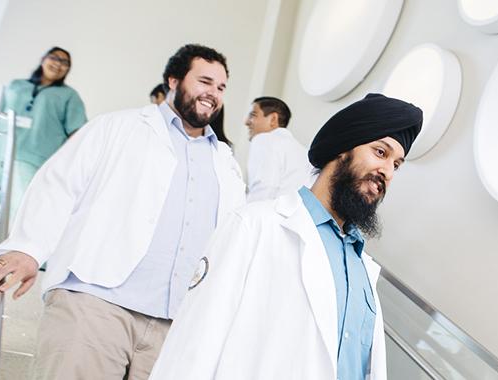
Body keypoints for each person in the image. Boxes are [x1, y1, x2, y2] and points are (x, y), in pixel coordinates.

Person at [0, 44, 246, 380]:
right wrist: (28, 247)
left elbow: (229, 238)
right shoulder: (117, 127)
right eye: (205, 82)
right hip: (96, 301)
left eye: (221, 87)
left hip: (176, 324)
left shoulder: (226, 163)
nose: (213, 93)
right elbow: (60, 184)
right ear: (174, 80)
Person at [150, 93, 422, 380]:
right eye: (381, 153)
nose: (387, 172)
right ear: (343, 148)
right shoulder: (254, 226)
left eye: (397, 164)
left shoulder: (362, 266)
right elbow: (192, 347)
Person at [0, 46, 87, 256]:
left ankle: (9, 259)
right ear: (43, 59)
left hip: (32, 160)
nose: (58, 64)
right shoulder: (15, 86)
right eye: (55, 58)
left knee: (20, 211)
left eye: (64, 62)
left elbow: (78, 134)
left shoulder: (69, 96)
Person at [244, 96, 313, 202]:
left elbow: (262, 190)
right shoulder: (304, 152)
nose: (246, 122)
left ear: (273, 119)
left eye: (253, 115)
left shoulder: (264, 139)